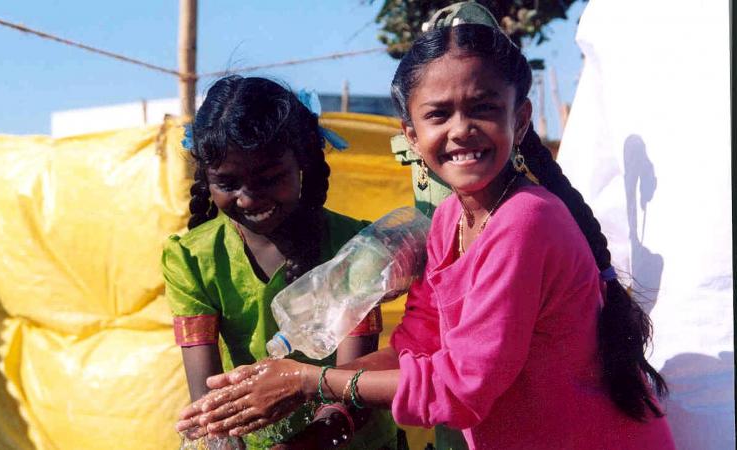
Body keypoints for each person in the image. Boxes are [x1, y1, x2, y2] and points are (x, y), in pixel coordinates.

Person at [175, 4, 675, 449]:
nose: (461, 129)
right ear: (412, 136)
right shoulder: (450, 224)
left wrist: (308, 382)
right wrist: (289, 387)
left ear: (519, 120)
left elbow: (460, 390)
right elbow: (417, 346)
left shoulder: (526, 222)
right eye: (439, 114)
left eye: (482, 108)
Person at [162, 75, 402, 449]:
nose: (248, 199)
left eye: (269, 178)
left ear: (302, 161)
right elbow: (210, 405)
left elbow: (354, 391)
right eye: (227, 183)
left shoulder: (357, 248)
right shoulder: (191, 259)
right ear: (207, 178)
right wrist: (220, 439)